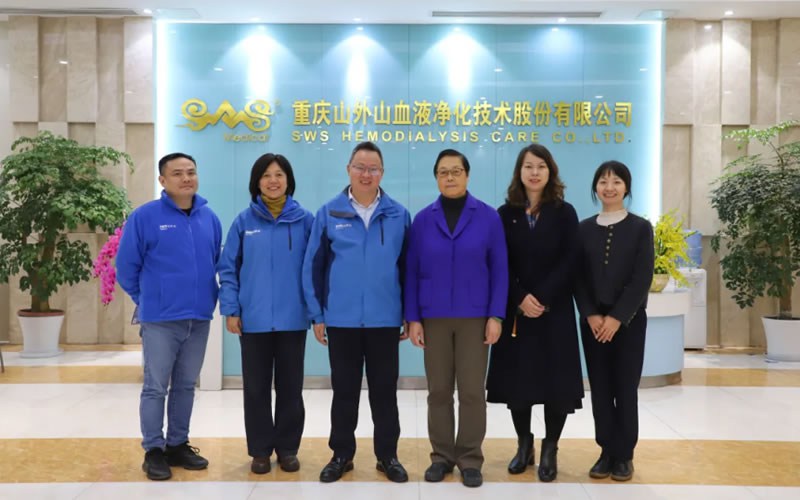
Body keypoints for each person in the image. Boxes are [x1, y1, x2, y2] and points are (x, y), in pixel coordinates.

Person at [302, 141, 411, 484]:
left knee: (385, 392)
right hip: (342, 320)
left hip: (384, 320)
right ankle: (341, 455)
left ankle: (387, 456)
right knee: (344, 392)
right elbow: (313, 267)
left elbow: (408, 269)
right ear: (348, 170)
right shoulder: (329, 213)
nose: (366, 174)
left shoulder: (398, 215)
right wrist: (318, 315)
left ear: (382, 173)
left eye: (373, 168)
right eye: (360, 167)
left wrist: (408, 314)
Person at [405, 149, 508, 488]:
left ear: (467, 175)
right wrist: (413, 318)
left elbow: (500, 270)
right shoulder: (423, 220)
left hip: (475, 317)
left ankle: (470, 458)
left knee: (472, 391)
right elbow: (411, 271)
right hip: (433, 317)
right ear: (436, 177)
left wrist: (496, 315)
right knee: (438, 391)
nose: (450, 177)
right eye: (443, 172)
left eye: (456, 171)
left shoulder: (488, 217)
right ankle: (441, 457)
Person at [116, 153, 222, 481]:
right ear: (163, 180)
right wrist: (149, 299)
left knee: (186, 385)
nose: (186, 178)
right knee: (155, 387)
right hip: (160, 320)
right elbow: (126, 268)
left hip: (199, 318)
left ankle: (177, 444)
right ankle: (153, 450)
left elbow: (214, 261)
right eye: (177, 173)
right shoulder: (145, 217)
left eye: (191, 172)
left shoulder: (209, 218)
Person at [486, 144, 584, 482]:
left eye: (541, 166)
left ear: (550, 171)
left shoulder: (565, 212)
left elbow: (571, 260)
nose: (534, 172)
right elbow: (500, 262)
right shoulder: (505, 213)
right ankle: (524, 443)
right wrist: (520, 297)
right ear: (519, 172)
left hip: (554, 311)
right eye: (528, 166)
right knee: (519, 383)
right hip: (518, 313)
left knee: (556, 383)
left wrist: (540, 296)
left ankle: (550, 446)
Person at [217, 153, 314, 475]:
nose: (273, 181)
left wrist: (315, 312)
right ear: (256, 182)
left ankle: (288, 449)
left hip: (293, 319)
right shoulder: (243, 222)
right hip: (253, 320)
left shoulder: (305, 221)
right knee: (256, 389)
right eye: (266, 175)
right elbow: (228, 269)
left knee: (290, 389)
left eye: (279, 175)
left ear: (289, 180)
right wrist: (231, 309)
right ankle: (259, 451)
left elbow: (316, 268)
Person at [575, 160, 654, 482]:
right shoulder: (583, 229)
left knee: (625, 387)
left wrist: (617, 318)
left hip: (629, 323)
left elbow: (642, 277)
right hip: (593, 324)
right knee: (601, 388)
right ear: (595, 187)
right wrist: (592, 314)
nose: (609, 187)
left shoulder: (640, 228)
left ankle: (624, 454)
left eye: (616, 182)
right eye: (603, 182)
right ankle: (606, 450)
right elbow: (578, 277)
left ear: (626, 188)